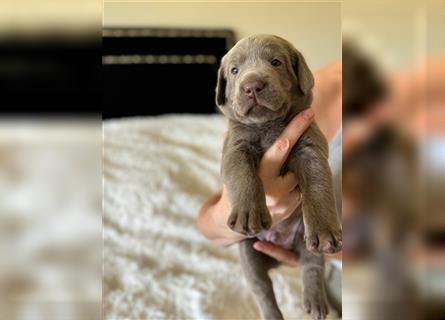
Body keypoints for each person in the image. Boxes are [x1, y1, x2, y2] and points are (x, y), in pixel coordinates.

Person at [197, 62, 343, 265]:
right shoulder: (302, 94)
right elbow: (209, 229)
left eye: (275, 63)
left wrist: (323, 254)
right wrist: (232, 207)